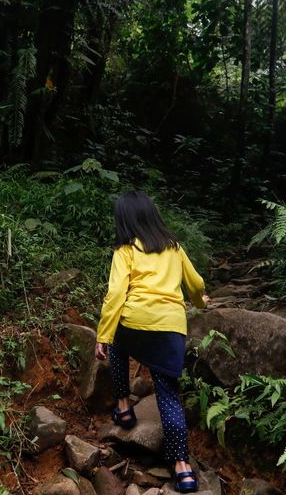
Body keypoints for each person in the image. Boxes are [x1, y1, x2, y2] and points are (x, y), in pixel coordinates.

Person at [95, 190, 209, 494]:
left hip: (134, 322)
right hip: (171, 327)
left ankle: (123, 407)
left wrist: (102, 335)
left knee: (118, 345)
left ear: (124, 219)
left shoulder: (125, 250)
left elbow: (116, 294)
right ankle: (182, 469)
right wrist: (200, 301)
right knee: (168, 394)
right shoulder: (174, 247)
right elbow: (196, 284)